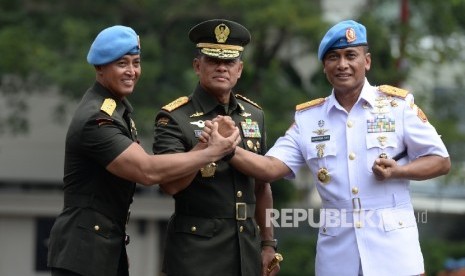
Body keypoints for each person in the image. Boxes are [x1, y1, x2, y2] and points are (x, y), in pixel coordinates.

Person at [204, 19, 451, 276]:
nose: (342, 64)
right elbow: (269, 168)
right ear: (324, 67)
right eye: (333, 57)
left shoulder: (397, 106)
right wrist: (228, 148)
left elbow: (441, 160)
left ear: (366, 61)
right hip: (337, 257)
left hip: (395, 254)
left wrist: (399, 171)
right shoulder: (309, 119)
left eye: (350, 55)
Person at [47, 25, 240, 276]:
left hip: (103, 246)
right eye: (122, 64)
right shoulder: (97, 118)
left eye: (136, 63)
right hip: (84, 252)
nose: (131, 72)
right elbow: (147, 171)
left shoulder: (118, 111)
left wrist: (203, 145)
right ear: (100, 68)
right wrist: (210, 152)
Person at [152, 19, 280, 276]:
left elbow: (262, 186)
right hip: (197, 252)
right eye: (213, 61)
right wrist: (205, 148)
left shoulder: (254, 115)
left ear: (240, 69)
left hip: (245, 248)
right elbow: (169, 185)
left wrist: (267, 244)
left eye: (229, 62)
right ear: (197, 66)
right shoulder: (174, 117)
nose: (222, 68)